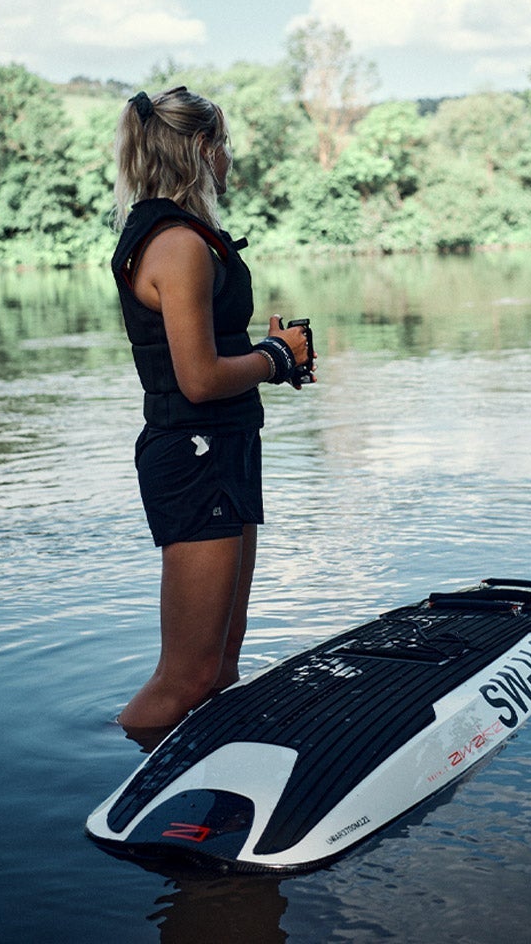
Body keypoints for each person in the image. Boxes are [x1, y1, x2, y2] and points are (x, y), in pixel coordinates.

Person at [109, 85, 314, 744]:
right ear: (200, 149)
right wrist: (277, 356)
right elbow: (198, 380)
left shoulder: (187, 236)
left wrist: (270, 357)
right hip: (194, 454)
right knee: (188, 675)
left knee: (223, 661)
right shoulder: (177, 243)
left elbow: (212, 357)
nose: (229, 158)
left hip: (224, 448)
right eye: (222, 144)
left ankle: (197, 781)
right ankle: (119, 795)